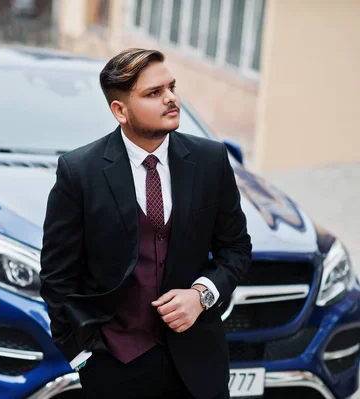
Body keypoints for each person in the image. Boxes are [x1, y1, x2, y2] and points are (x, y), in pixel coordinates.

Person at [40, 48, 252, 398]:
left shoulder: (210, 161)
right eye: (154, 93)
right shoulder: (80, 172)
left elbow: (237, 250)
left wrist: (201, 295)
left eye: (171, 87)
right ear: (120, 110)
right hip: (115, 369)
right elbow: (57, 278)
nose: (171, 99)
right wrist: (81, 357)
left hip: (199, 366)